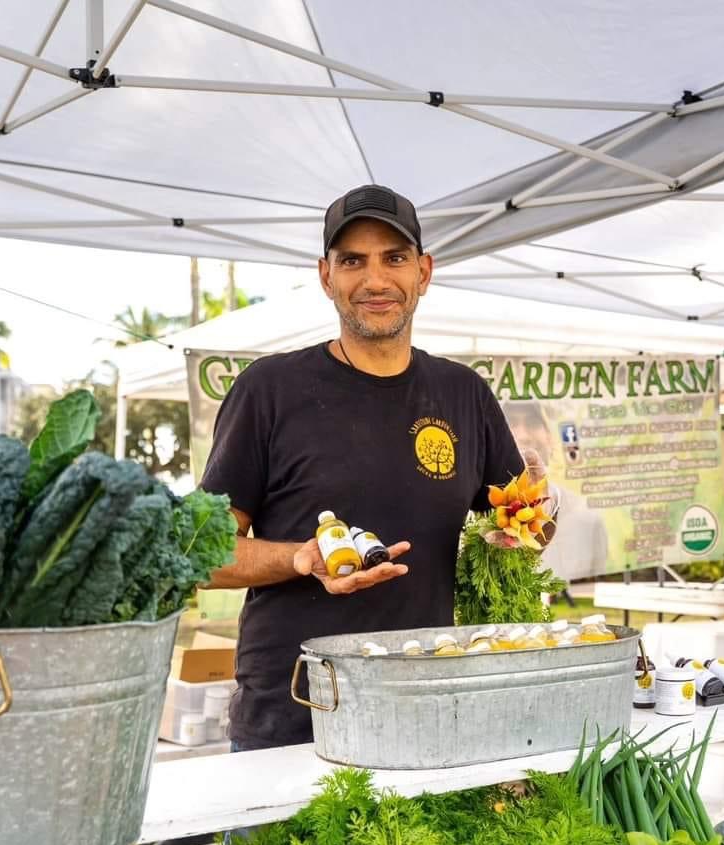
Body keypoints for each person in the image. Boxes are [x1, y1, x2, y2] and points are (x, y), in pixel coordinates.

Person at [200, 185, 527, 751]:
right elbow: (202, 554)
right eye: (353, 260)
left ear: (423, 272)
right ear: (326, 276)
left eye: (394, 258)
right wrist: (300, 558)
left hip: (425, 711)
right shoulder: (270, 390)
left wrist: (534, 518)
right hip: (296, 716)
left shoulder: (464, 393)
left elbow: (522, 525)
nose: (375, 281)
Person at [503, 402, 608, 583]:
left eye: (533, 423)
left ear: (550, 439)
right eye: (510, 423)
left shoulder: (587, 520)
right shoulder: (470, 516)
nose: (523, 435)